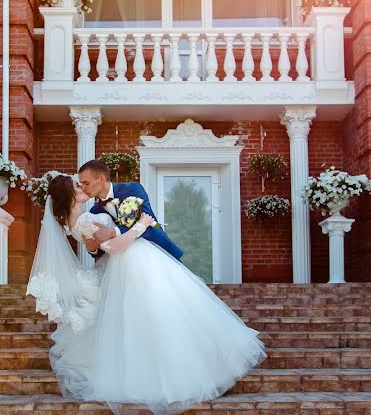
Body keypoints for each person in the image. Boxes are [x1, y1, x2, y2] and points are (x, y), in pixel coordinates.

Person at [27, 174, 265, 415]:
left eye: (82, 183)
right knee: (161, 312)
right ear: (69, 195)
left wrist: (122, 232)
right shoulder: (86, 218)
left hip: (132, 263)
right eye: (77, 186)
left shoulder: (76, 219)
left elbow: (100, 246)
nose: (82, 187)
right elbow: (113, 246)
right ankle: (179, 375)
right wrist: (140, 225)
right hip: (131, 263)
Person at [78, 159, 183, 261]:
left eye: (86, 183)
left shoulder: (132, 189)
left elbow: (147, 222)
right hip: (127, 262)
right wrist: (92, 249)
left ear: (101, 179)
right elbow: (105, 248)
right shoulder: (95, 211)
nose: (83, 188)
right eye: (81, 184)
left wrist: (113, 231)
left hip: (158, 251)